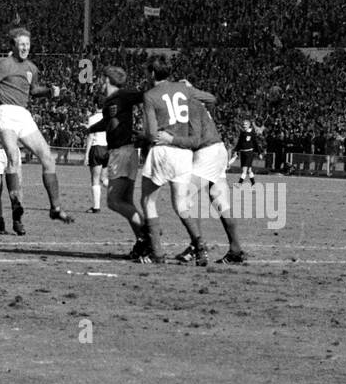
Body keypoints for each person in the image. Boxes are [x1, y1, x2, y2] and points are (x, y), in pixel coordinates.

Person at [148, 65, 247, 265]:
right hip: (217, 150)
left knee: (184, 197)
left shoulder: (190, 105)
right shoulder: (195, 103)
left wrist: (170, 139)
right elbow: (210, 100)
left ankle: (196, 246)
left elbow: (194, 140)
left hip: (207, 153)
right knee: (220, 202)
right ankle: (235, 249)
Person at [0, 27, 72, 228]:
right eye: (21, 44)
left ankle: (55, 208)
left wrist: (49, 91)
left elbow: (33, 90)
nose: (25, 48)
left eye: (27, 45)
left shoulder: (32, 68)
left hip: (23, 113)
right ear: (12, 45)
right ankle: (15, 204)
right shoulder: (3, 64)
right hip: (5, 112)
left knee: (48, 157)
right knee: (14, 156)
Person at [90, 67, 159, 262]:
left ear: (107, 80)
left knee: (113, 201)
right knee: (126, 202)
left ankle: (148, 231)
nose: (100, 82)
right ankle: (141, 242)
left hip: (121, 153)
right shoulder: (110, 102)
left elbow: (144, 95)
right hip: (125, 152)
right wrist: (90, 129)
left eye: (102, 79)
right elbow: (106, 122)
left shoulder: (123, 94)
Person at [83, 105, 108, 213]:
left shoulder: (92, 118)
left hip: (96, 148)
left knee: (95, 178)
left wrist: (86, 154)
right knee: (103, 178)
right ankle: (120, 193)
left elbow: (90, 136)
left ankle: (96, 207)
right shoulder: (108, 117)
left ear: (95, 105)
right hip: (107, 148)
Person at [236, 118, 260, 186]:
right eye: (243, 124)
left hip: (249, 153)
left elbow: (256, 143)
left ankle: (239, 184)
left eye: (246, 124)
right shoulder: (242, 133)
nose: (244, 125)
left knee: (244, 170)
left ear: (249, 125)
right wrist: (235, 151)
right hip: (242, 153)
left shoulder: (252, 133)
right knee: (249, 170)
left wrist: (259, 153)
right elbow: (239, 143)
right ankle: (253, 183)